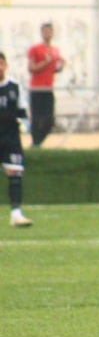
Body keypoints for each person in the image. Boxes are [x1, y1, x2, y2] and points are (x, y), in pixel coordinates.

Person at [0, 51, 32, 227]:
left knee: (14, 173)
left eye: (1, 63)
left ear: (5, 65)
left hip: (11, 137)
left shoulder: (14, 86)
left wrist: (27, 126)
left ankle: (16, 214)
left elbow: (22, 111)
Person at [26, 22, 65, 147]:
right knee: (36, 119)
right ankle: (35, 143)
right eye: (45, 31)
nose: (48, 34)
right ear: (42, 33)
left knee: (49, 120)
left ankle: (36, 143)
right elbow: (31, 68)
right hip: (37, 88)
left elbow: (54, 69)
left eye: (50, 31)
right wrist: (45, 62)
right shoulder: (35, 49)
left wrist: (61, 66)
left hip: (48, 88)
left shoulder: (54, 50)